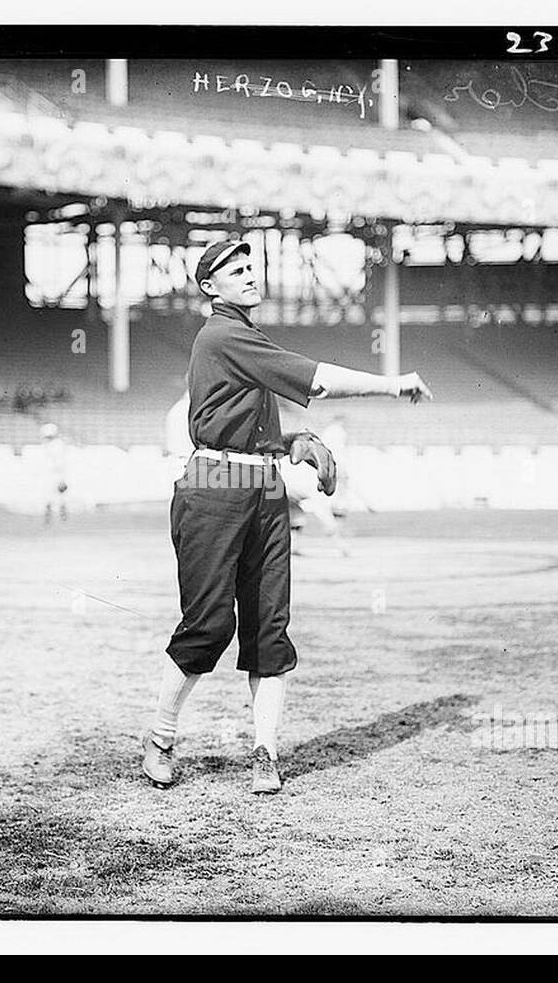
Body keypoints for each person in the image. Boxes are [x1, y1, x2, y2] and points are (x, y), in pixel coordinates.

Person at [141, 239, 431, 795]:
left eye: (252, 266)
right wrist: (393, 384)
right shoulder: (224, 334)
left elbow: (244, 424)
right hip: (213, 486)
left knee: (269, 628)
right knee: (209, 625)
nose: (250, 274)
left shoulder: (245, 339)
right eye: (235, 269)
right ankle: (161, 736)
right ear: (210, 287)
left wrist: (289, 440)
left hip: (261, 486)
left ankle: (264, 754)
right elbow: (317, 380)